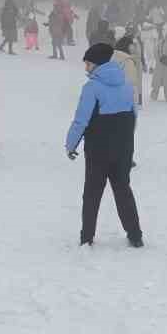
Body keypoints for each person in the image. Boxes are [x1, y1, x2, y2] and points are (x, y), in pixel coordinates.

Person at [64, 43, 142, 248]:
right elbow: (133, 115)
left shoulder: (92, 88)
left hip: (98, 149)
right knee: (123, 190)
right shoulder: (126, 85)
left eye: (88, 64)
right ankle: (135, 235)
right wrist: (127, 143)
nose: (85, 68)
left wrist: (70, 145)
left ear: (96, 64)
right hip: (123, 147)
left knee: (92, 193)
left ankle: (86, 237)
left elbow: (81, 120)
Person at [112, 33, 144, 108]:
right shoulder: (128, 61)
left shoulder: (114, 56)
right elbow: (133, 82)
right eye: (132, 45)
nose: (133, 47)